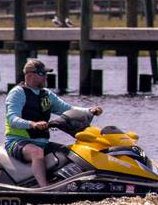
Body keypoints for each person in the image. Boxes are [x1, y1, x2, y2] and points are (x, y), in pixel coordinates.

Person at [5, 58, 103, 188]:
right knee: (37, 152)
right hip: (17, 142)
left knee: (71, 153)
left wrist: (89, 110)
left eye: (46, 73)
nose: (45, 76)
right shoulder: (17, 93)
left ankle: (74, 185)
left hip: (42, 142)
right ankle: (44, 188)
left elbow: (67, 108)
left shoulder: (46, 94)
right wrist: (32, 124)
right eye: (42, 74)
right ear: (29, 75)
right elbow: (12, 119)